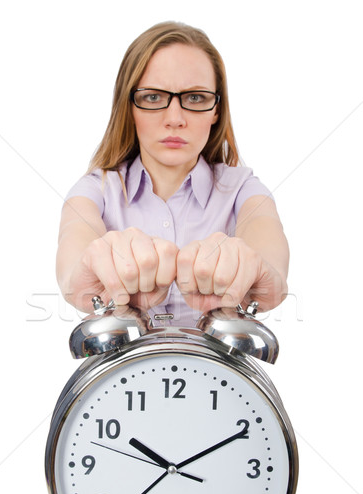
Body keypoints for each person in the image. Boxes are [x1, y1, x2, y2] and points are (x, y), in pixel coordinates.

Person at [56, 21, 289, 326]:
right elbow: (72, 256)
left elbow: (267, 241)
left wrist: (255, 265)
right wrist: (90, 264)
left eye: (195, 98)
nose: (175, 119)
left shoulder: (243, 189)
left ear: (216, 110)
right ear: (129, 106)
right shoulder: (96, 190)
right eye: (153, 97)